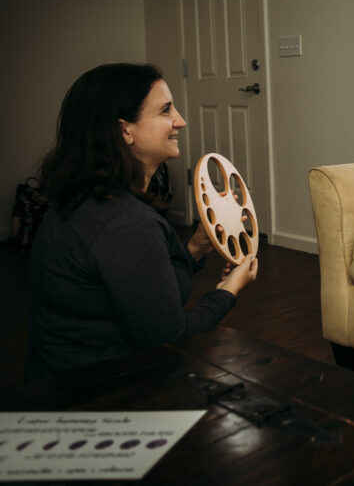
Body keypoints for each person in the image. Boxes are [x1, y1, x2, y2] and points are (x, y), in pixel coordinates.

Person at [25, 63, 258, 382]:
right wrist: (229, 290)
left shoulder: (85, 201)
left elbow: (143, 290)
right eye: (165, 111)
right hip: (100, 394)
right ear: (125, 131)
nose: (180, 121)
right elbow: (170, 338)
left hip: (56, 381)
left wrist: (196, 249)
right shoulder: (126, 224)